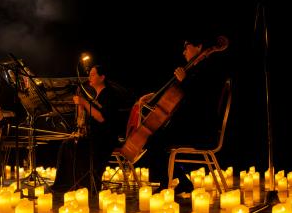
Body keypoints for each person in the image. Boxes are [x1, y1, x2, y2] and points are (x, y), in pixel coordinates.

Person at [140, 36, 233, 197]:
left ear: (199, 46)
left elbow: (201, 99)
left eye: (186, 47)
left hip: (202, 129)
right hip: (193, 125)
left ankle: (168, 184)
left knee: (155, 139)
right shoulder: (195, 70)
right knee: (155, 138)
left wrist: (184, 80)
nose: (184, 52)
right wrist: (155, 96)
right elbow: (179, 95)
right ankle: (182, 182)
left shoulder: (209, 68)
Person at [52, 64, 124, 194]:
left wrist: (84, 103)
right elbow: (86, 118)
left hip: (105, 139)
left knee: (70, 145)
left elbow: (101, 118)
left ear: (102, 77)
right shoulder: (96, 96)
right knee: (68, 144)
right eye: (89, 75)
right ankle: (71, 184)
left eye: (93, 74)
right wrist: (81, 106)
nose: (89, 77)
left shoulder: (108, 94)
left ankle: (77, 185)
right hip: (95, 135)